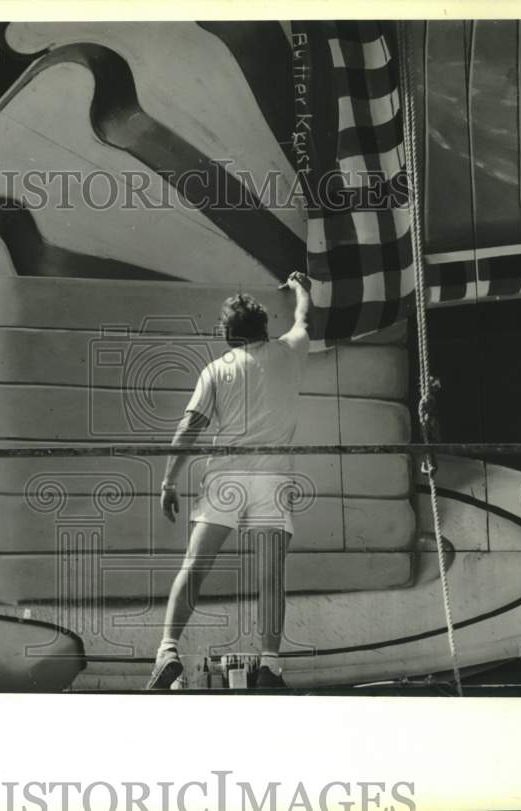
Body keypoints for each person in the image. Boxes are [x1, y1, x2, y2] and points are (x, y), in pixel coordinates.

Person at [146, 271, 312, 689]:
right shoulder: (289, 352)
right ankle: (270, 666)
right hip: (272, 479)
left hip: (225, 479)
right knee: (270, 576)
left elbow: (189, 428)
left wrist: (168, 481)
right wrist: (299, 288)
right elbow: (305, 320)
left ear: (229, 334)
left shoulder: (216, 370)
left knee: (195, 566)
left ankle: (168, 651)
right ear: (262, 328)